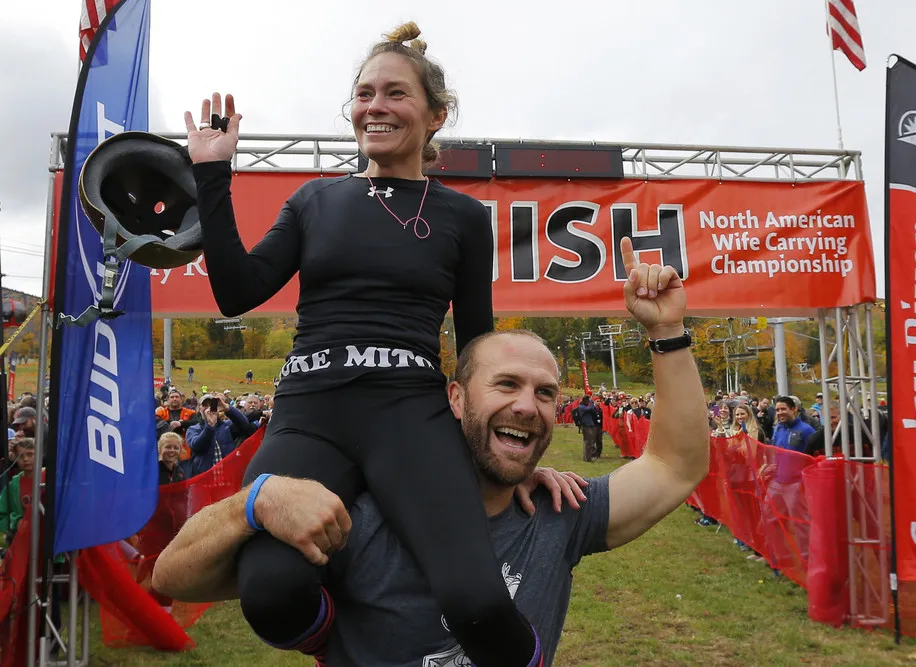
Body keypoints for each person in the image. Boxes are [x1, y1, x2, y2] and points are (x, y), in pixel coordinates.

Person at [153, 239, 709, 665]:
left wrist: (668, 331)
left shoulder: (558, 515)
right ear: (456, 398)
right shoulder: (361, 519)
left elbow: (674, 465)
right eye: (506, 384)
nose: (527, 405)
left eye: (544, 393)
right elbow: (173, 576)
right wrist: (254, 502)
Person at [181, 22, 543, 667]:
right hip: (311, 413)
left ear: (436, 115)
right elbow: (237, 291)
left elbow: (479, 342)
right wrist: (213, 174)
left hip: (411, 414)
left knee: (479, 606)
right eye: (364, 93)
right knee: (270, 591)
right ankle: (340, 646)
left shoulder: (462, 216)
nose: (375, 106)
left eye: (396, 94)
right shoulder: (316, 200)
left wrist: (504, 446)